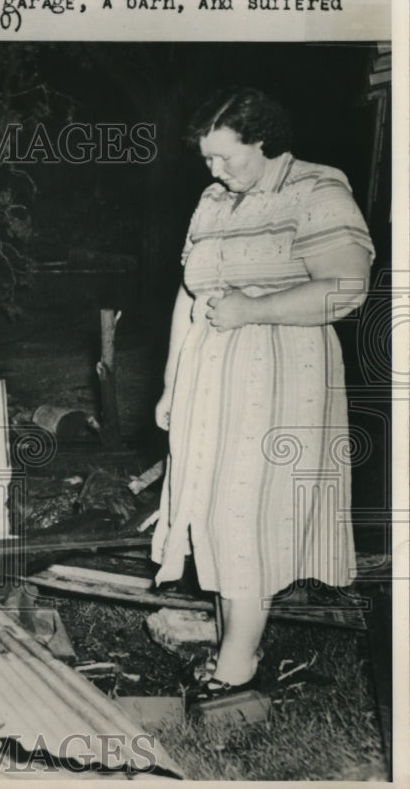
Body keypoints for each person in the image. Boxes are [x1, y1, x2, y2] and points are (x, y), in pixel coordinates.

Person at [151, 89, 374, 702]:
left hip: (277, 378)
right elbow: (189, 292)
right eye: (208, 161)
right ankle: (234, 648)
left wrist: (254, 308)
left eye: (226, 158)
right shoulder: (214, 200)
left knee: (247, 516)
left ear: (263, 141)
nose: (215, 172)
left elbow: (346, 288)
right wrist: (173, 380)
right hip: (208, 377)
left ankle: (237, 668)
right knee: (214, 516)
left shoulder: (317, 188)